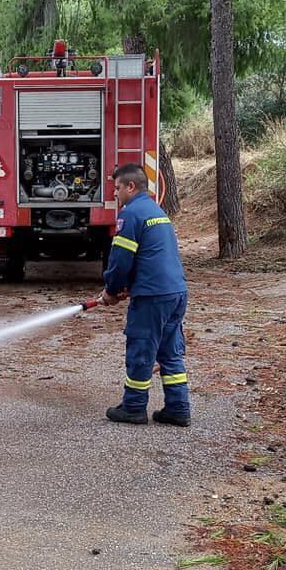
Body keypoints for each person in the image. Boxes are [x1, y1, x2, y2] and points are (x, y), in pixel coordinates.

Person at [100, 163, 190, 426]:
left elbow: (121, 260)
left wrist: (112, 289)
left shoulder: (131, 214)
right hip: (175, 292)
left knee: (141, 348)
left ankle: (134, 408)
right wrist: (128, 287)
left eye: (117, 188)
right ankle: (178, 409)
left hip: (153, 296)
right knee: (169, 353)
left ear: (131, 186)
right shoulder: (157, 212)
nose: (115, 194)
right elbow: (153, 256)